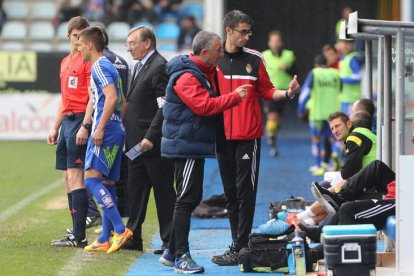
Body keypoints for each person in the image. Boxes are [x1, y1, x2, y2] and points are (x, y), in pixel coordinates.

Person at [212, 10, 300, 266]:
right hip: (222, 135)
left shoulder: (255, 58)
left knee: (244, 192)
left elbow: (267, 90)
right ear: (228, 31)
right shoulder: (213, 58)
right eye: (243, 31)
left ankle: (239, 246)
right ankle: (237, 244)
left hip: (248, 135)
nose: (247, 36)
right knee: (230, 193)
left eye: (249, 32)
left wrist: (288, 93)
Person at [158, 30, 249, 273]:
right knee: (186, 200)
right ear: (205, 52)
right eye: (218, 49)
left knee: (191, 197)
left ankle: (170, 251)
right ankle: (181, 256)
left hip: (190, 144)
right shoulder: (187, 76)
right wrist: (233, 97)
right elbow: (203, 106)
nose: (222, 53)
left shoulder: (202, 71)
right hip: (185, 146)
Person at [76, 26, 132, 253]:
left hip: (105, 131)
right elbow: (124, 103)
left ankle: (120, 229)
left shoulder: (99, 66)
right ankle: (103, 238)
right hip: (115, 129)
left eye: (80, 44)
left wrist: (99, 128)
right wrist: (117, 125)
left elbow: (112, 98)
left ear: (90, 45)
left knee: (90, 180)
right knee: (107, 185)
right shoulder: (109, 66)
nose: (78, 48)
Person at [123, 25, 176, 253]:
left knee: (164, 193)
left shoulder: (159, 66)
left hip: (152, 145)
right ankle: (133, 237)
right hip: (136, 144)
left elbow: (163, 107)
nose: (129, 48)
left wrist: (151, 136)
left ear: (147, 44)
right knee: (135, 191)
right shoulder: (140, 66)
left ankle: (170, 242)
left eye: (133, 43)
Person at [47, 16, 91, 248]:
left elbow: (93, 97)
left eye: (83, 36)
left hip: (80, 121)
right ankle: (75, 232)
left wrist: (86, 124)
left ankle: (79, 235)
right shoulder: (65, 62)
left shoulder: (88, 62)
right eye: (75, 36)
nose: (79, 40)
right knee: (67, 177)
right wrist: (55, 126)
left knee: (76, 176)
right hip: (67, 122)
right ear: (68, 36)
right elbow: (64, 98)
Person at [298, 111, 377, 232]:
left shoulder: (355, 137)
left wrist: (332, 190)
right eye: (332, 128)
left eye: (338, 126)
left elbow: (347, 173)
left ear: (349, 124)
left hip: (377, 188)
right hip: (371, 183)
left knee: (339, 195)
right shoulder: (360, 134)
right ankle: (309, 221)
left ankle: (305, 220)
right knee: (331, 189)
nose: (335, 131)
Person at [311, 160, 395, 230]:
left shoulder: (357, 140)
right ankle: (337, 198)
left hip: (399, 197)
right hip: (397, 188)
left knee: (347, 209)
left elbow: (346, 172)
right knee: (377, 166)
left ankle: (309, 218)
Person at [297, 54, 340, 176]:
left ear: (316, 64)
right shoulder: (335, 73)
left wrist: (300, 109)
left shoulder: (314, 73)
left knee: (316, 139)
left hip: (317, 113)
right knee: (334, 138)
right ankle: (335, 154)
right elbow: (340, 89)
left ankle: (318, 165)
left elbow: (305, 93)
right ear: (327, 62)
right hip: (333, 112)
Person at [262, 30, 296, 156]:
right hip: (269, 91)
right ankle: (271, 140)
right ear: (269, 43)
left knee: (279, 120)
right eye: (272, 41)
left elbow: (296, 71)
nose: (275, 43)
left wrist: (287, 69)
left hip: (285, 92)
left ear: (281, 42)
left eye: (277, 41)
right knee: (272, 116)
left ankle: (273, 135)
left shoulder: (289, 55)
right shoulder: (263, 56)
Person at [337, 39, 363, 115]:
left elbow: (358, 76)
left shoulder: (353, 58)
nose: (344, 46)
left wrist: (342, 79)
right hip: (344, 99)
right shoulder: (344, 58)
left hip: (351, 100)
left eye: (347, 43)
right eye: (342, 43)